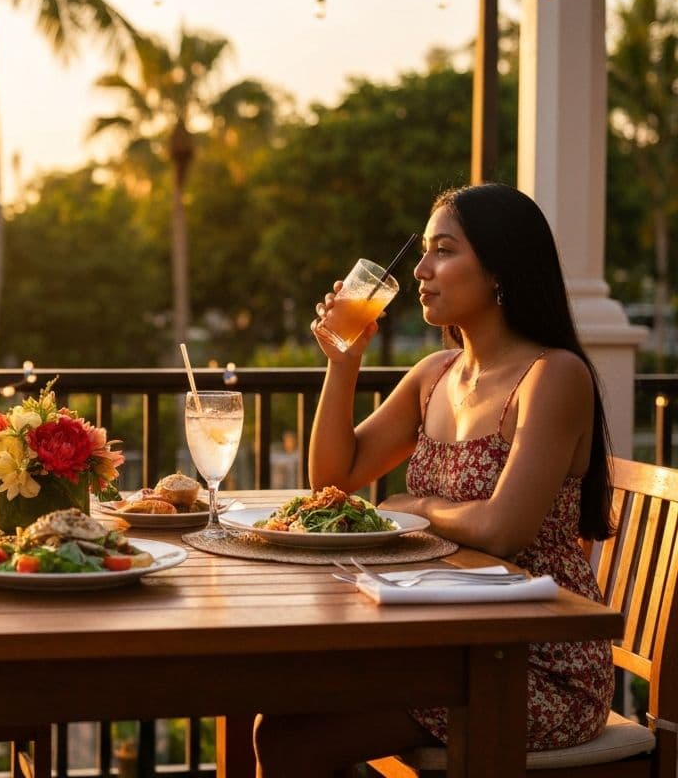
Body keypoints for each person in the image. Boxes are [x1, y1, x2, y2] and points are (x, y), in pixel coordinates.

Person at [254, 183, 615, 778]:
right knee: (284, 707)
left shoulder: (553, 376)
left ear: (499, 269)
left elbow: (503, 530)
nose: (421, 270)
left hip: (536, 661)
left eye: (443, 251)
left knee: (294, 740)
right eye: (424, 251)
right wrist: (343, 363)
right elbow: (333, 478)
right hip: (446, 640)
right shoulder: (435, 374)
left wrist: (414, 506)